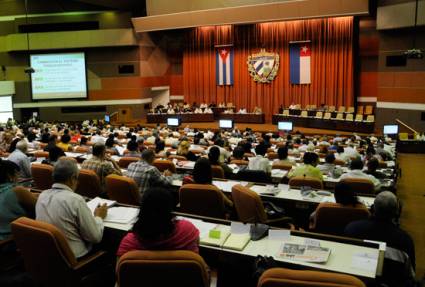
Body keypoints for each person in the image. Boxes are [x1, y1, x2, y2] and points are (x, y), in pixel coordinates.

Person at [36, 158, 107, 258]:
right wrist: (99, 217)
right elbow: (95, 237)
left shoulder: (42, 195)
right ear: (72, 178)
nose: (78, 183)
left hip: (49, 254)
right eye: (77, 178)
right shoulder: (75, 200)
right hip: (75, 259)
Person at [344, 191, 416, 287]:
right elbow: (410, 275)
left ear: (373, 208)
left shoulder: (351, 229)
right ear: (396, 213)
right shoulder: (405, 241)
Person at [116, 187, 200, 257]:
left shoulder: (128, 245)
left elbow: (120, 274)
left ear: (142, 210)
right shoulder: (188, 230)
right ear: (170, 210)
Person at [0, 159, 37, 240]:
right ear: (10, 175)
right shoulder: (18, 190)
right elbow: (40, 207)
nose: (19, 177)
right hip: (11, 241)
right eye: (17, 174)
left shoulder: (11, 191)